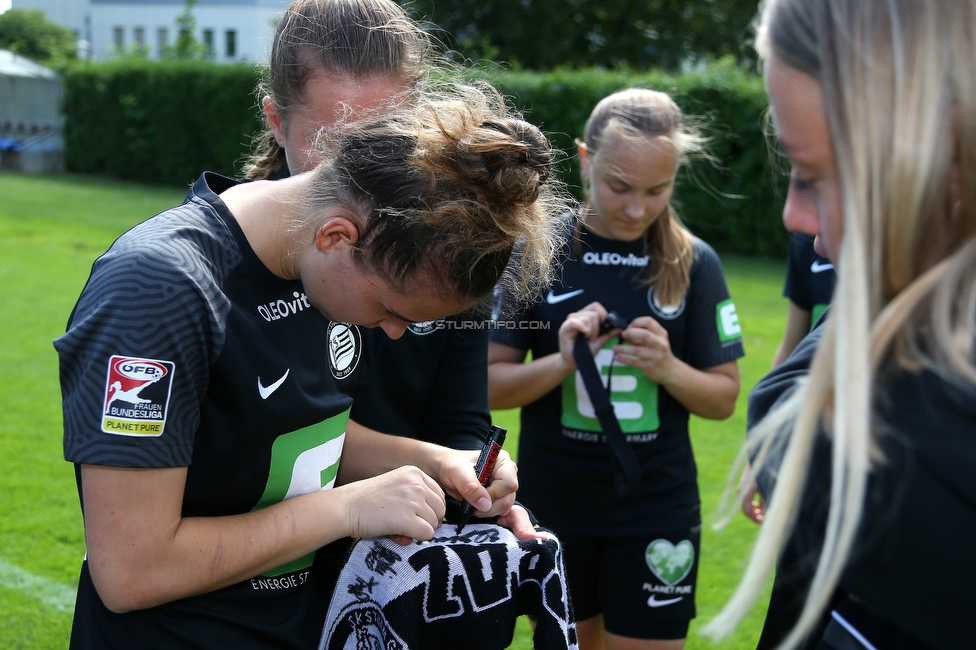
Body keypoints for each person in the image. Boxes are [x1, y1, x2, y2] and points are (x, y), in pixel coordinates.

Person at [55, 86, 565, 649]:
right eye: (392, 311)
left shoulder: (309, 269)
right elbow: (132, 570)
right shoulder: (157, 290)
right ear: (337, 236)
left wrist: (440, 463)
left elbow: (280, 433)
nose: (394, 332)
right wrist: (348, 508)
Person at [704, 0, 976, 648]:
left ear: (947, 156)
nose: (799, 219)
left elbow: (785, 411)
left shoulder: (898, 443)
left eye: (812, 177)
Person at [488, 88, 745, 650]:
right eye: (619, 187)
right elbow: (490, 383)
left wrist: (669, 367)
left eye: (657, 190)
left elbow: (724, 398)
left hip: (657, 504)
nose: (636, 208)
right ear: (585, 160)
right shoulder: (540, 250)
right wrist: (563, 359)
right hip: (557, 502)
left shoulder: (694, 261)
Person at [243, 0, 492, 453]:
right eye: (335, 145)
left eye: (386, 138)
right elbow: (259, 427)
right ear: (277, 123)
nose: (360, 176)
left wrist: (476, 478)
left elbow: (458, 416)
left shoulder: (451, 239)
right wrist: (427, 468)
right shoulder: (231, 252)